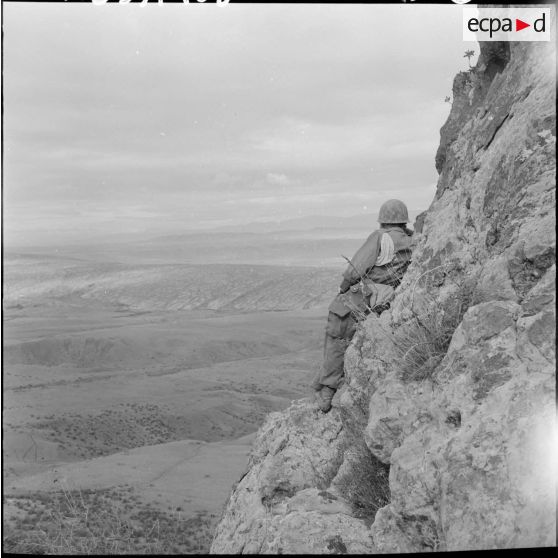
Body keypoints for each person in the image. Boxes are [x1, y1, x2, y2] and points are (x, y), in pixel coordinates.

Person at [312, 199, 416, 413]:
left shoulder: (380, 237)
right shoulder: (412, 240)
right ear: (403, 221)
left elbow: (355, 269)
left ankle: (327, 390)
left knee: (337, 331)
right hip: (389, 295)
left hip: (367, 294)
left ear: (383, 221)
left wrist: (344, 287)